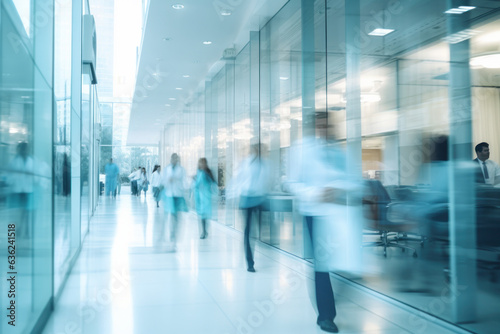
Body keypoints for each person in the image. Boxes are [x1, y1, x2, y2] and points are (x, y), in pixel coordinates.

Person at [288, 135, 363, 334]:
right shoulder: (302, 148)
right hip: (314, 212)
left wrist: (338, 188)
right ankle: (326, 315)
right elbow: (292, 182)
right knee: (322, 265)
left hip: (337, 212)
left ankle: (329, 305)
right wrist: (315, 193)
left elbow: (353, 180)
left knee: (345, 263)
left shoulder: (338, 151)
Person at [233, 144, 271, 273]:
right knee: (248, 232)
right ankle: (250, 262)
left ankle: (263, 247)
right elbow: (239, 179)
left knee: (260, 228)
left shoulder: (265, 164)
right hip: (247, 199)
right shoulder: (246, 163)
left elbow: (267, 181)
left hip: (260, 199)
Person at [160, 153, 188, 250]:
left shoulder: (182, 169)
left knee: (175, 218)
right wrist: (168, 180)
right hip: (169, 195)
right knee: (169, 217)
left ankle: (173, 238)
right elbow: (163, 181)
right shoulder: (167, 169)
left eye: (176, 158)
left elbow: (185, 182)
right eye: (173, 158)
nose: (174, 160)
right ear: (171, 159)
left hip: (178, 195)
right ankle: (169, 237)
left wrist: (177, 181)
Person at [194, 158, 216, 239]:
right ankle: (204, 231)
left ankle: (204, 231)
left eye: (203, 163)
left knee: (204, 215)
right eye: (200, 163)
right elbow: (197, 184)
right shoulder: (199, 172)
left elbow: (213, 183)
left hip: (206, 197)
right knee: (202, 215)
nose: (202, 165)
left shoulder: (207, 173)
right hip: (200, 197)